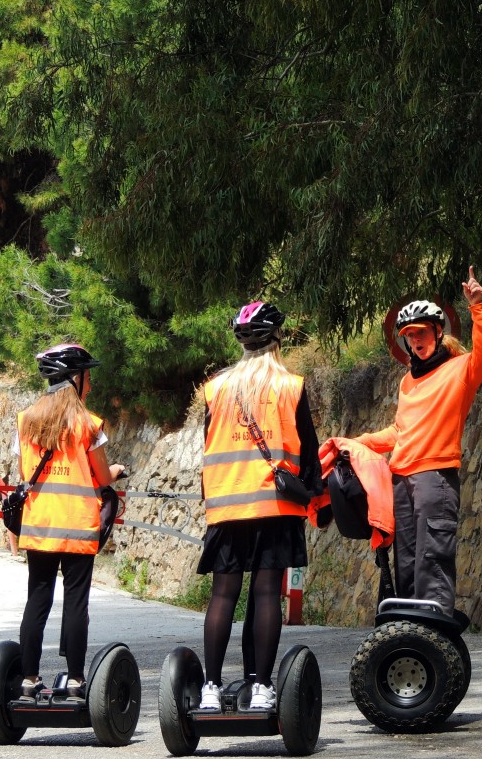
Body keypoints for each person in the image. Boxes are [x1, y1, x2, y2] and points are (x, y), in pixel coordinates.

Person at [197, 301, 322, 711]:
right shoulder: (290, 385)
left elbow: (208, 443)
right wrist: (315, 494)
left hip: (228, 505)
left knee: (222, 596)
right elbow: (308, 448)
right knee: (267, 593)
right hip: (274, 504)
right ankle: (263, 689)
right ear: (277, 340)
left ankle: (211, 688)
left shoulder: (215, 389)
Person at [354, 266, 482, 617]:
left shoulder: (461, 369)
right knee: (405, 563)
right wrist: (359, 441)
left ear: (437, 332)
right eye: (409, 334)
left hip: (436, 478)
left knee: (431, 562)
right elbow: (401, 431)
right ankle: (407, 633)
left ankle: (433, 643)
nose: (415, 340)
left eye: (421, 332)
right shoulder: (408, 381)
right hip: (401, 481)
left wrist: (477, 309)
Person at [15, 343, 125, 701]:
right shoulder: (88, 424)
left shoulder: (26, 420)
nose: (90, 384)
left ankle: (29, 679)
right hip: (78, 525)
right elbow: (101, 477)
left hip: (40, 524)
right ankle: (76, 680)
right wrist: (117, 471)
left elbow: (25, 472)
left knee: (38, 599)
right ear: (75, 378)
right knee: (76, 601)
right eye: (87, 376)